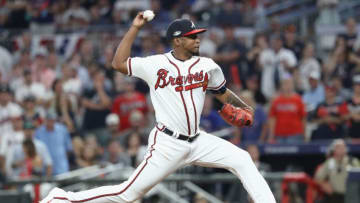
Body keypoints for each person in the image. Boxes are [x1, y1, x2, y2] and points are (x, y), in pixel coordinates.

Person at [41, 13, 275, 203]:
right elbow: (118, 63)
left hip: (198, 140)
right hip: (168, 144)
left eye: (198, 35)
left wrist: (245, 107)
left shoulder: (208, 66)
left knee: (242, 159)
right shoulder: (156, 64)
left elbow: (222, 93)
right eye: (192, 36)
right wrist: (135, 28)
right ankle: (62, 198)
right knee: (128, 194)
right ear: (177, 40)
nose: (198, 40)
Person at [314, 139, 360, 203]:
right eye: (338, 147)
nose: (341, 149)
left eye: (343, 147)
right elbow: (318, 177)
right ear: (333, 150)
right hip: (335, 196)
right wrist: (325, 185)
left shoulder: (352, 161)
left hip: (351, 196)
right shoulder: (330, 162)